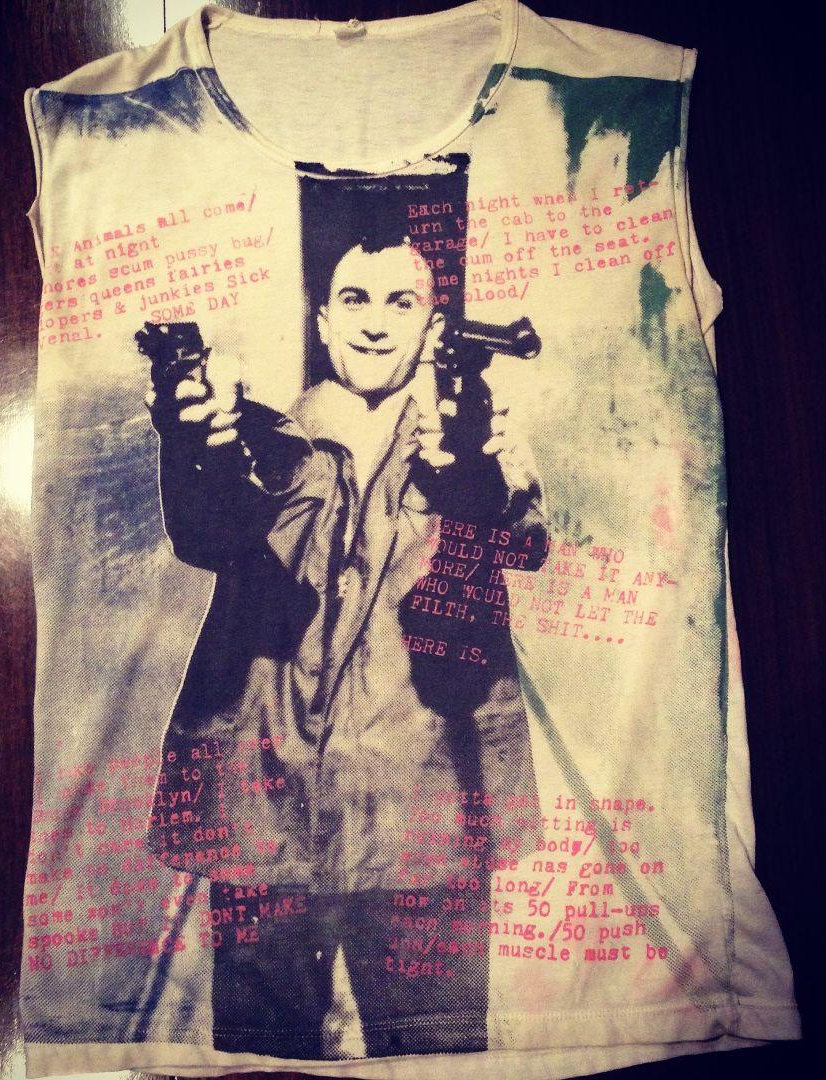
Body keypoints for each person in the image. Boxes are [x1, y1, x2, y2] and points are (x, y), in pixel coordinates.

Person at [141, 229, 548, 1059]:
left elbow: (520, 539)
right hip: (265, 802)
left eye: (401, 301)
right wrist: (188, 448)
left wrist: (476, 477)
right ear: (324, 319)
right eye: (354, 299)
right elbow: (207, 530)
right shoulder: (260, 441)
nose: (374, 322)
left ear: (434, 326)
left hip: (425, 809)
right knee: (263, 1059)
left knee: (436, 1058)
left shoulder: (479, 440)